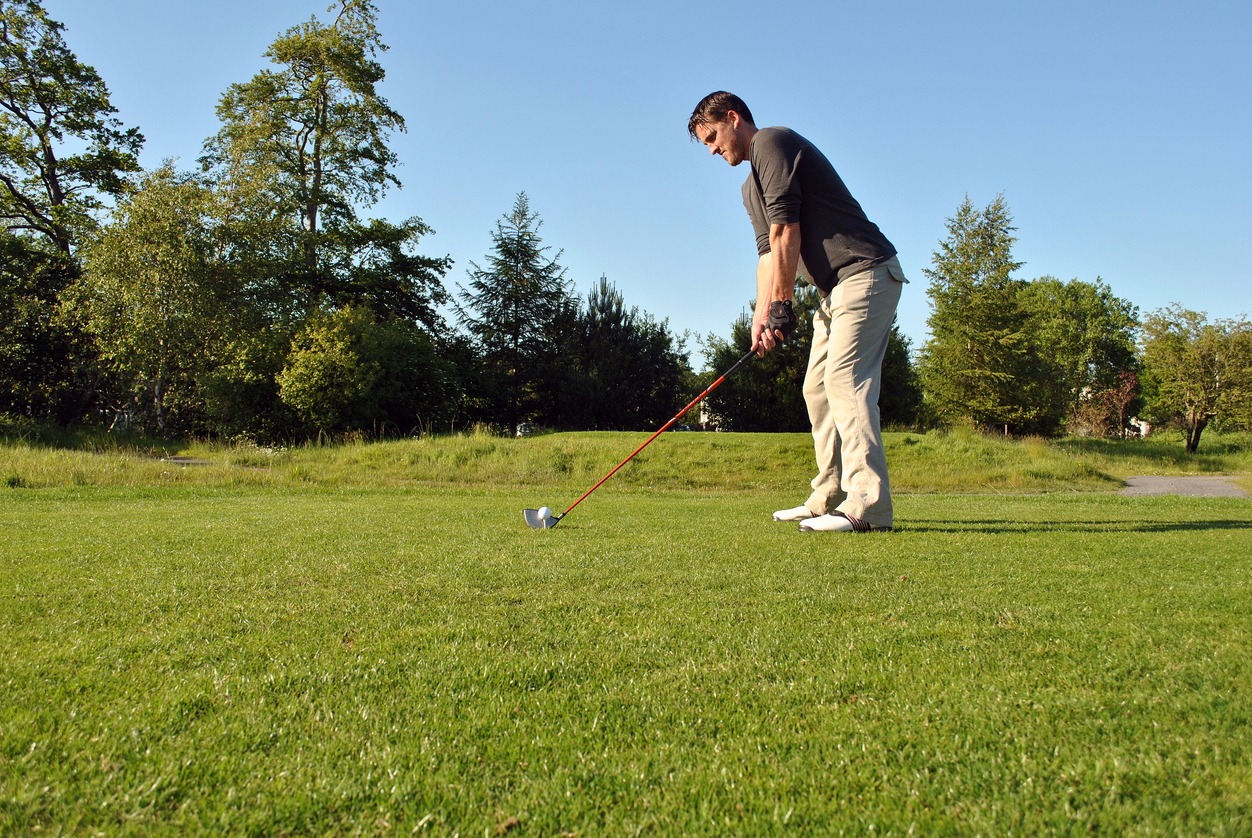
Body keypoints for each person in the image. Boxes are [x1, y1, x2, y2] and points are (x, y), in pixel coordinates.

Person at [688, 91, 907, 533]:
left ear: (733, 118)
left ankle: (867, 507)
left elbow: (788, 227)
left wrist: (783, 306)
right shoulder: (750, 188)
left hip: (865, 271)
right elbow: (768, 254)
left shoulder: (772, 142)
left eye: (712, 136)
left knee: (844, 380)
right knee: (817, 390)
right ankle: (826, 496)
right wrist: (760, 317)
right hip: (835, 291)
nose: (711, 148)